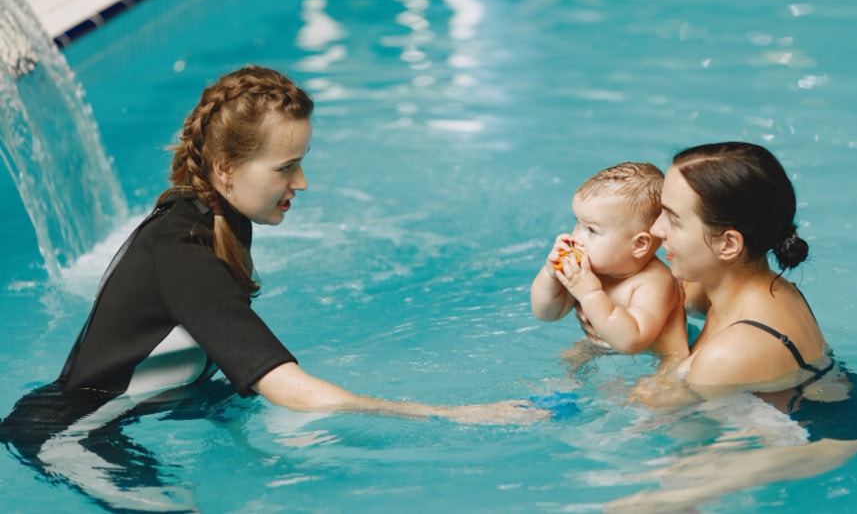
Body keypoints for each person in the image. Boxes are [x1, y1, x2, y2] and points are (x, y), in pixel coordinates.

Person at [0, 65, 545, 512]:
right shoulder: (184, 251)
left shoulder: (220, 216)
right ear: (226, 168)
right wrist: (454, 416)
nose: (302, 183)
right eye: (287, 167)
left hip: (174, 401)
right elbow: (289, 387)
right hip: (71, 433)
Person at [607, 142, 857, 511]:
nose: (657, 229)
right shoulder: (733, 285)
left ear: (728, 244)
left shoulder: (730, 353)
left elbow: (658, 407)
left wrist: (667, 342)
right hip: (821, 398)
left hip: (815, 444)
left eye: (673, 219)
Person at [530, 162, 689, 374]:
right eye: (578, 223)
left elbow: (632, 341)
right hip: (604, 351)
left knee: (653, 400)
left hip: (659, 365)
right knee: (563, 367)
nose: (577, 237)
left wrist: (590, 294)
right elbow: (547, 313)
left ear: (639, 245)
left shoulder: (654, 282)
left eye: (592, 231)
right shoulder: (590, 271)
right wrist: (551, 275)